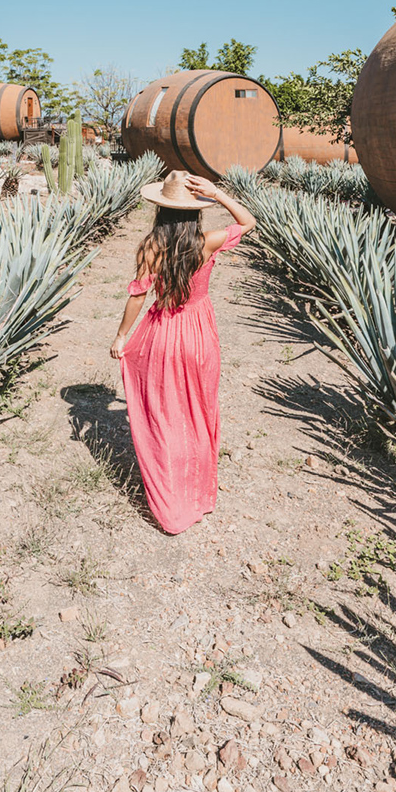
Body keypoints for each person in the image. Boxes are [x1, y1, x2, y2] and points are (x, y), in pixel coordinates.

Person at [110, 169, 256, 534]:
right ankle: (199, 493)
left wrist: (121, 336)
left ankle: (170, 495)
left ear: (161, 210)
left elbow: (138, 295)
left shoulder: (150, 247)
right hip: (199, 334)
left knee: (164, 412)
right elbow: (249, 222)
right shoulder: (208, 241)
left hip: (162, 332)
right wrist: (218, 193)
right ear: (194, 211)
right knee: (199, 411)